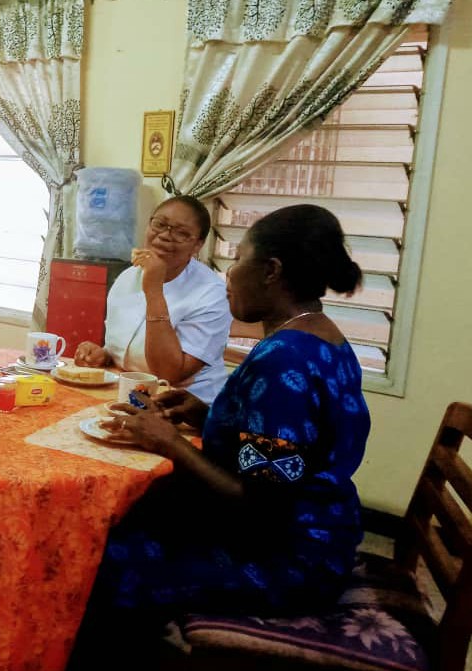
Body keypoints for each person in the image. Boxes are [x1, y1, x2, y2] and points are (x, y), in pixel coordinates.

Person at [69, 204, 370, 668]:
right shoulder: (320, 336)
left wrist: (165, 442)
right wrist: (205, 414)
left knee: (100, 553)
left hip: (291, 558)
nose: (229, 275)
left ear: (271, 271)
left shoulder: (283, 359)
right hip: (318, 531)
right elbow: (281, 449)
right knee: (137, 513)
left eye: (239, 260)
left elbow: (258, 506)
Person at [74, 195, 232, 402]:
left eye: (181, 233)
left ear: (197, 246)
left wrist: (154, 291)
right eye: (160, 224)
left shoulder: (212, 294)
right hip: (128, 393)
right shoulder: (128, 276)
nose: (166, 236)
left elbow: (169, 374)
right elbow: (123, 347)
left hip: (187, 405)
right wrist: (103, 355)